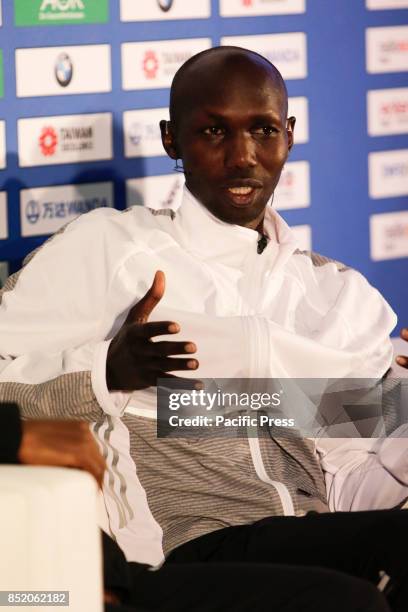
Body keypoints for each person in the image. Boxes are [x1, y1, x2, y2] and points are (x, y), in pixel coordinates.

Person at [0, 46, 406, 609]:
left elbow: (354, 478)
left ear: (288, 136)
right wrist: (103, 371)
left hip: (310, 533)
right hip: (183, 549)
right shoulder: (113, 252)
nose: (243, 158)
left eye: (263, 131)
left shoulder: (337, 296)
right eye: (214, 133)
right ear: (172, 140)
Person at [1, 402, 390, 612]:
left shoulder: (337, 289)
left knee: (351, 602)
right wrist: (104, 375)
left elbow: (348, 446)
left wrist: (396, 410)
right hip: (192, 540)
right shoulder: (99, 267)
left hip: (100, 579)